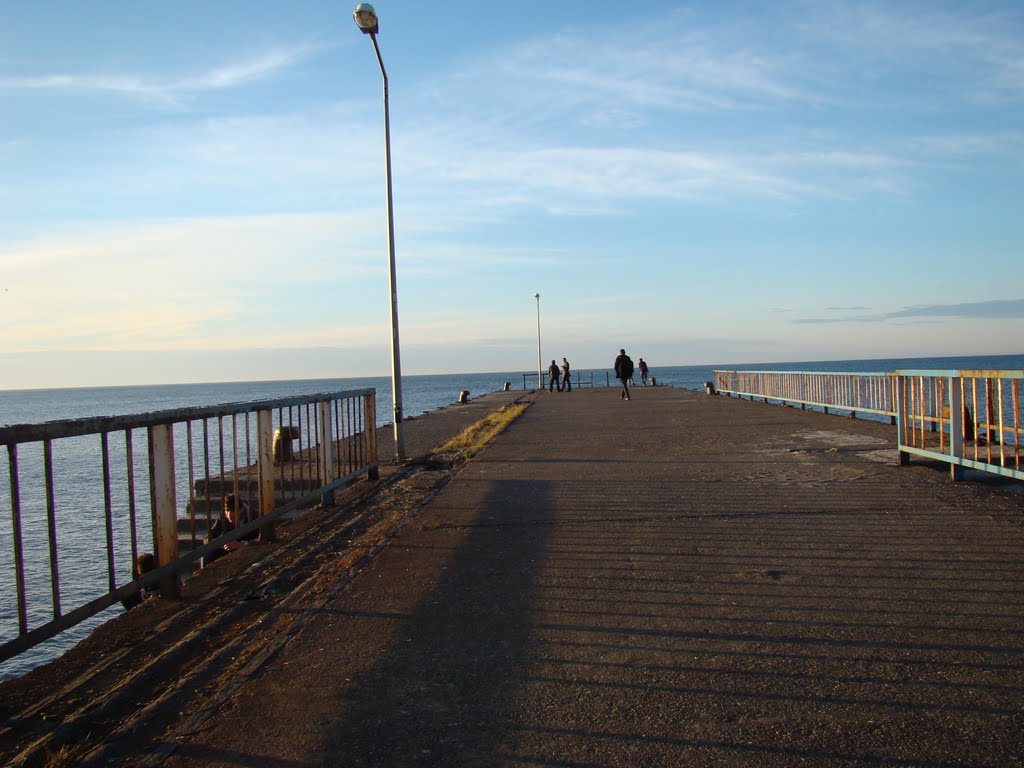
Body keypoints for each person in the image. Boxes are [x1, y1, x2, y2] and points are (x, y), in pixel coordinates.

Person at [203, 493, 256, 566]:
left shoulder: (253, 516)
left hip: (246, 550)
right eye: (227, 512)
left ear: (241, 509)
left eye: (233, 517)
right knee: (207, 553)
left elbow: (260, 539)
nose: (228, 516)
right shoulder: (223, 516)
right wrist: (217, 544)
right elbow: (209, 536)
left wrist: (242, 544)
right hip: (227, 548)